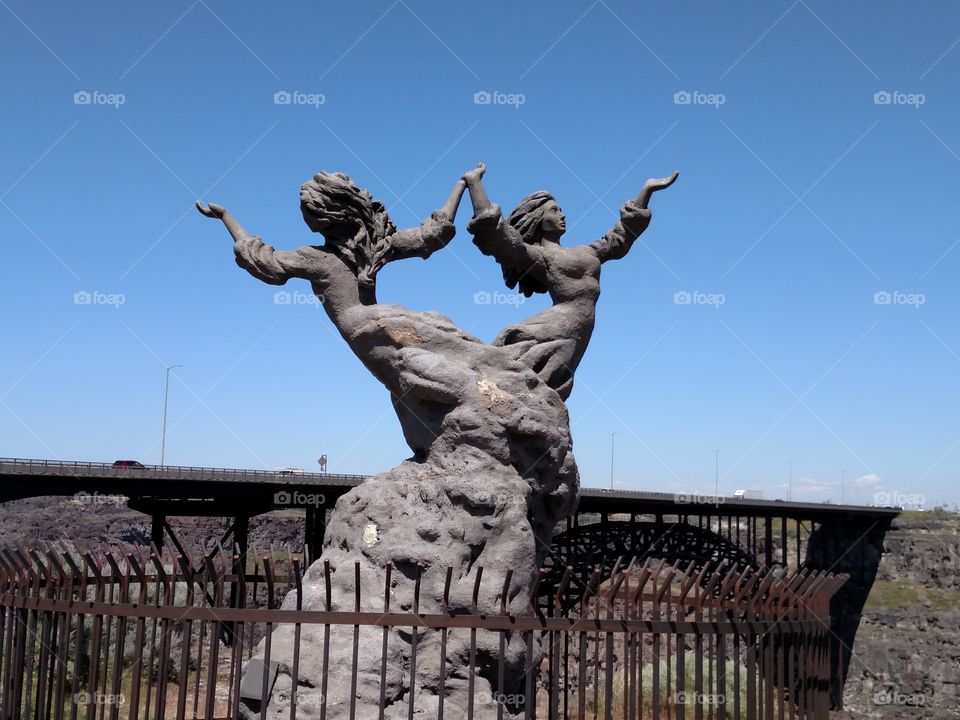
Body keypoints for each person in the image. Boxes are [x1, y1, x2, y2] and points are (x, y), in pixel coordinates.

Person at [461, 163, 678, 399]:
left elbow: (621, 236)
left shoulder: (588, 251)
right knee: (533, 387)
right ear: (538, 219)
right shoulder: (540, 256)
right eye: (554, 211)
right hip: (556, 328)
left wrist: (646, 190)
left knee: (548, 392)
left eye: (561, 210)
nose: (562, 215)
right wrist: (475, 183)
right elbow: (502, 240)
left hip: (578, 332)